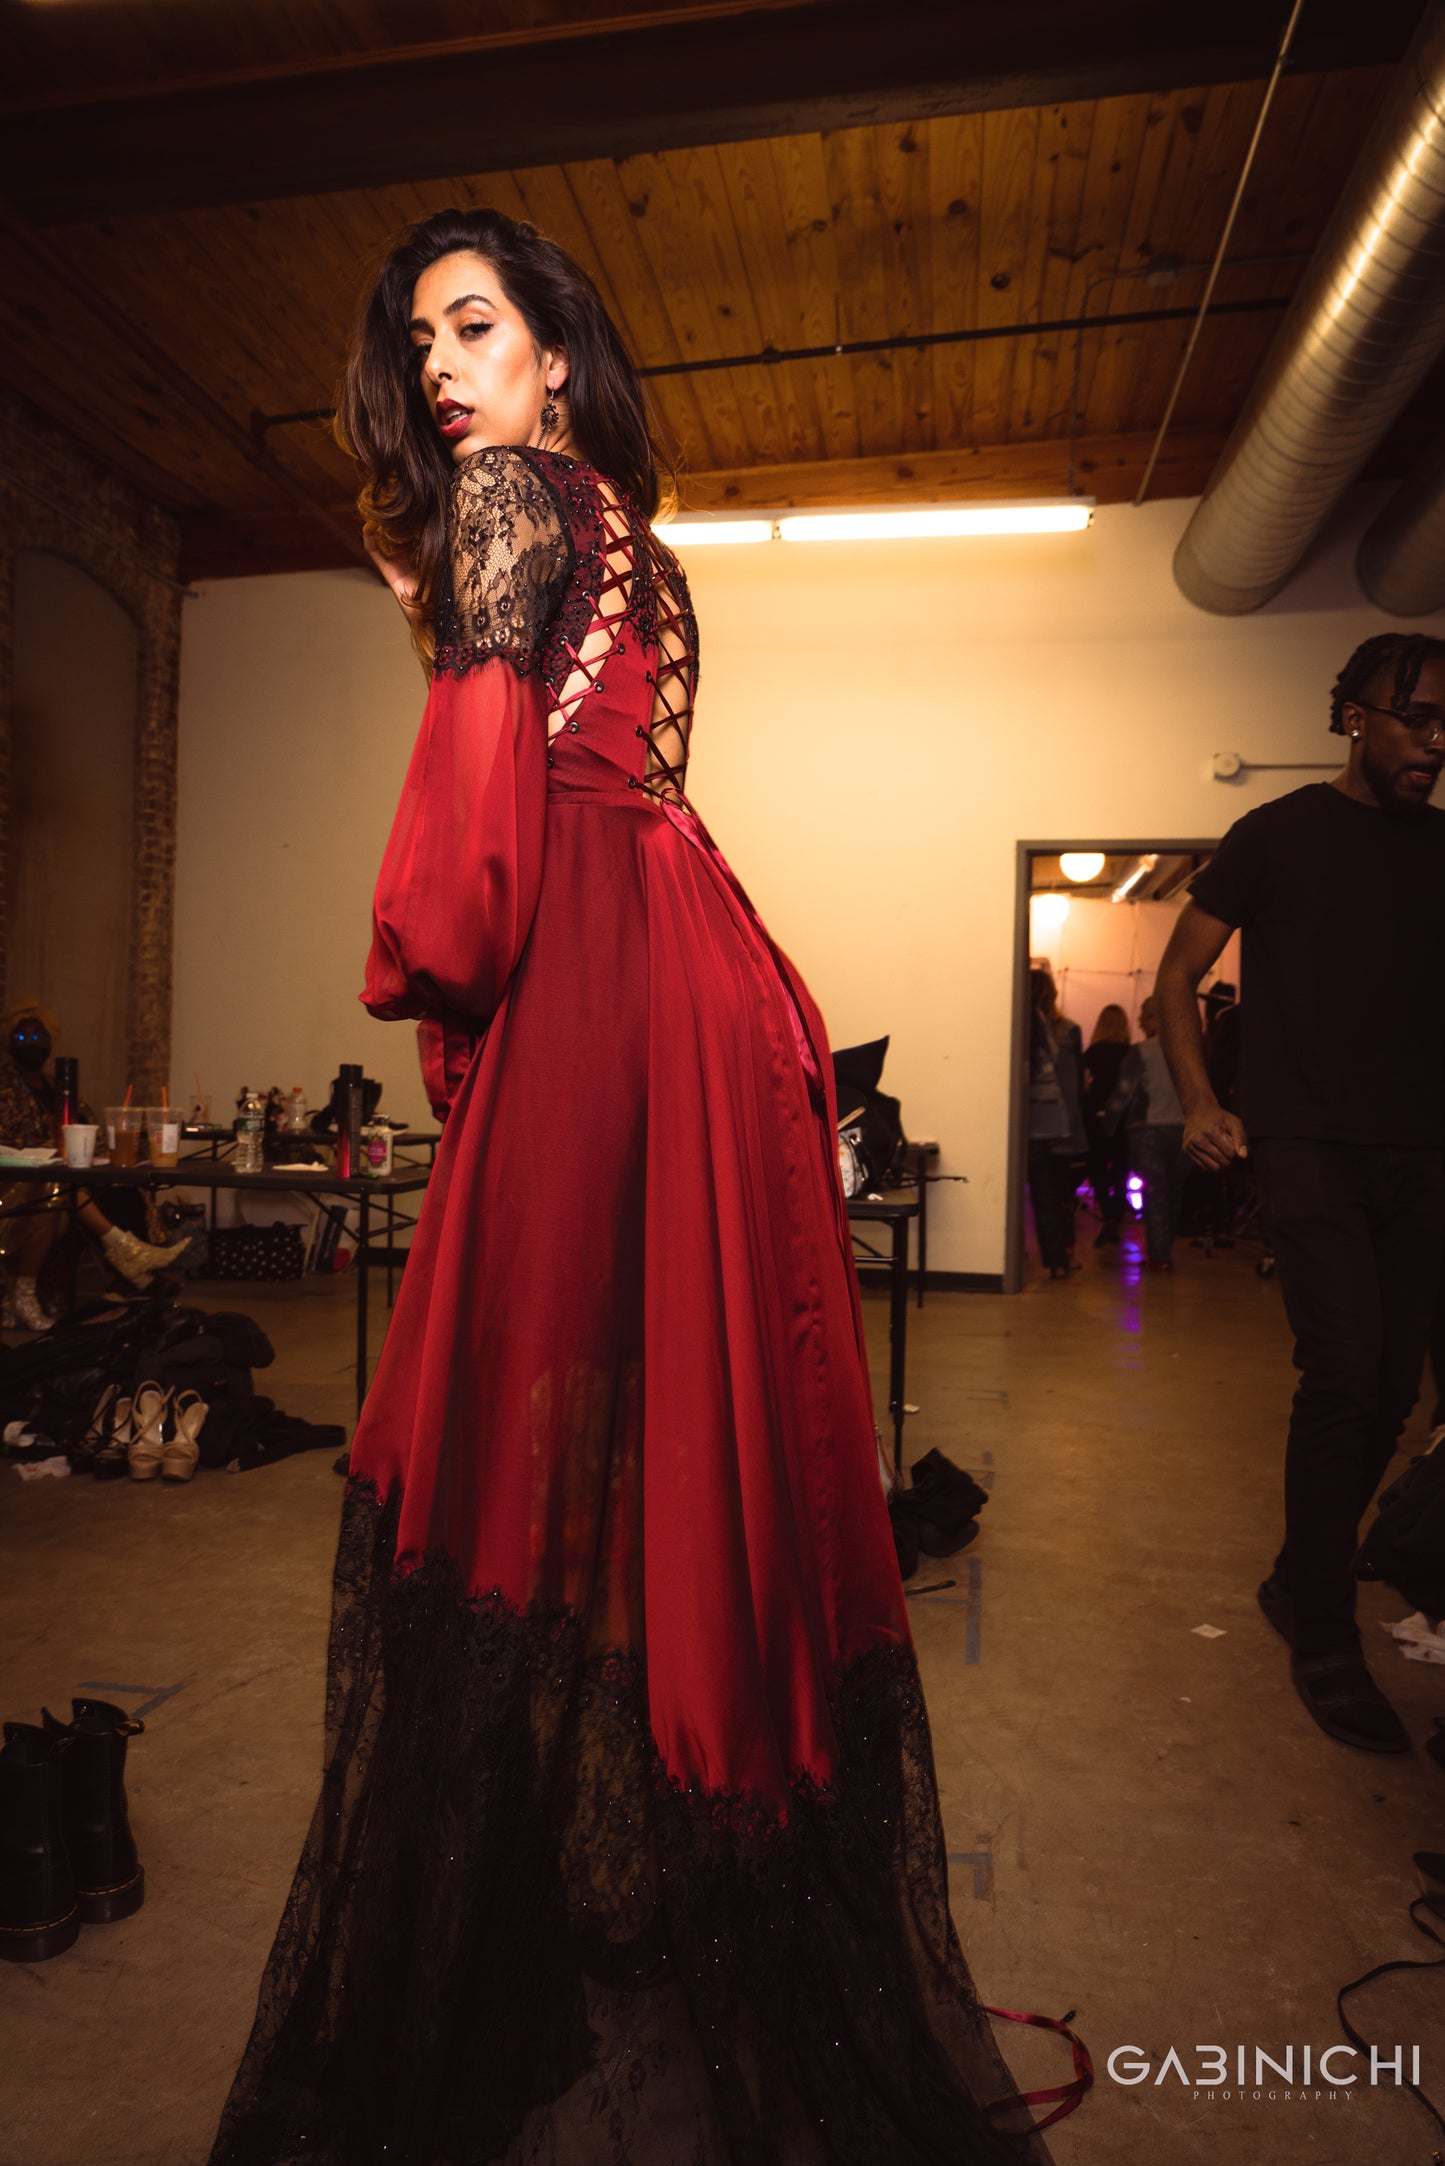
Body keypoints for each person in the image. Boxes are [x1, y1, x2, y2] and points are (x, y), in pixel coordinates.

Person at [207, 209, 1059, 2166]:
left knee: (526, 1421)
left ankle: (557, 1886)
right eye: (419, 339)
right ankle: (669, 1838)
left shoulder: (511, 491)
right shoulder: (627, 529)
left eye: (473, 323)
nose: (439, 365)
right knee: (668, 1431)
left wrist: (425, 957)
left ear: (555, 356)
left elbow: (472, 859)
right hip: (691, 956)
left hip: (597, 968)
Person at [1155, 632, 1445, 1756]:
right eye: (1411, 717)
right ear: (1351, 719)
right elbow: (1177, 975)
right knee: (1342, 1369)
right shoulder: (1273, 836)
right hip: (1306, 1146)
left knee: (1390, 1388)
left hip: (1419, 1152)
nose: (1430, 741)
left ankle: (1304, 1567)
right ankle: (1319, 1621)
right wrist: (1196, 1101)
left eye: (1441, 724)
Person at [0, 1001, 188, 1328]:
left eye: (39, 1036)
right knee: (58, 1185)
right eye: (23, 1037)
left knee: (121, 1187)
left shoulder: (61, 1088)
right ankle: (128, 1256)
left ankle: (135, 1277)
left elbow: (88, 1133)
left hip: (67, 1177)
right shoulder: (4, 1088)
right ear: (9, 1041)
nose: (32, 1044)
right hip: (19, 1184)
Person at [1104, 996, 1187, 1272]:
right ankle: (1165, 1249)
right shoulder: (1190, 1052)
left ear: (1154, 1019)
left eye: (1143, 1015)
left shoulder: (1141, 1052)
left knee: (1155, 1193)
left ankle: (1159, 1255)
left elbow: (1123, 1095)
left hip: (1147, 1130)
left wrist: (1107, 1127)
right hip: (1183, 1129)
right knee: (1174, 1193)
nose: (1138, 1021)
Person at [1026, 967, 1086, 1280]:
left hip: (1029, 1123)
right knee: (1059, 1194)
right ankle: (1064, 1256)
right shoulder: (1066, 1030)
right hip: (1058, 1121)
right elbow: (1072, 1085)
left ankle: (1051, 1257)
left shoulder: (1024, 1025)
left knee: (1041, 1194)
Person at [1081, 1003, 1130, 1247]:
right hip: (1123, 1118)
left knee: (1097, 1167)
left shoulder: (1093, 1052)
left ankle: (1108, 1212)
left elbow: (1084, 1085)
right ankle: (1116, 1217)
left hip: (1097, 1116)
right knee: (1121, 1169)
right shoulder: (1131, 1052)